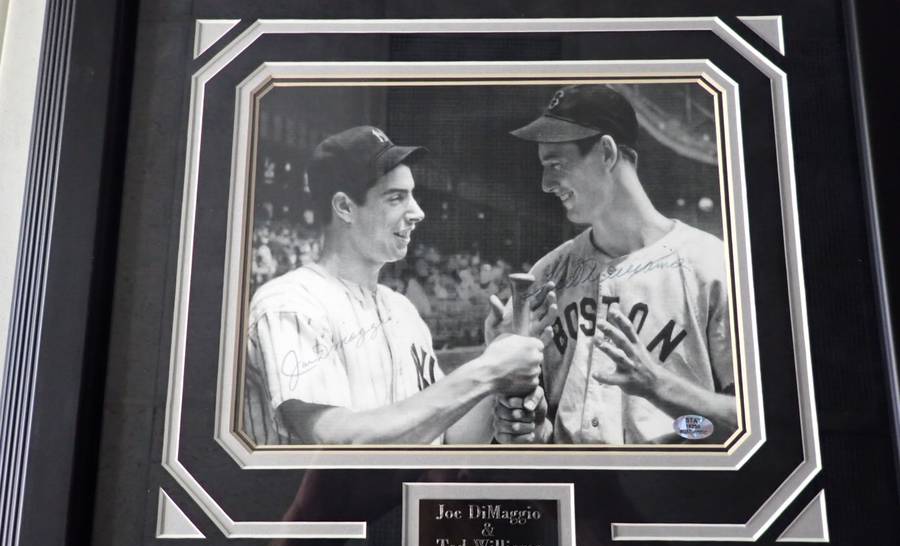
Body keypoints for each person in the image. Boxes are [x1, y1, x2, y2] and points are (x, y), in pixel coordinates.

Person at [243, 125, 554, 445]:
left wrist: (497, 369)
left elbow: (450, 438)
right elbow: (338, 441)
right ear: (345, 207)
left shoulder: (402, 310)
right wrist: (487, 370)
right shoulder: (289, 305)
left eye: (412, 196)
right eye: (396, 198)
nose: (417, 212)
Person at [489, 85, 737, 444]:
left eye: (556, 164)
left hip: (667, 492)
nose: (545, 184)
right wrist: (531, 427)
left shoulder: (712, 266)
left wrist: (662, 388)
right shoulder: (546, 275)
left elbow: (754, 426)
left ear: (606, 153)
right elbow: (535, 426)